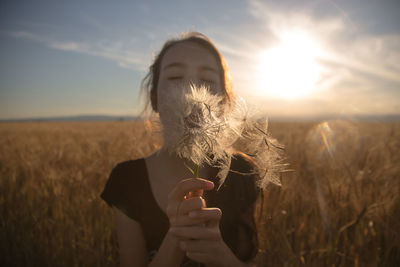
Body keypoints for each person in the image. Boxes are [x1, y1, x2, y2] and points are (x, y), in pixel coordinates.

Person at [101, 32, 261, 267]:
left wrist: (221, 256)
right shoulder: (126, 180)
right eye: (175, 77)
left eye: (206, 80)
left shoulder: (243, 172)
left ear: (224, 102)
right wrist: (179, 236)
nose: (191, 90)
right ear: (154, 99)